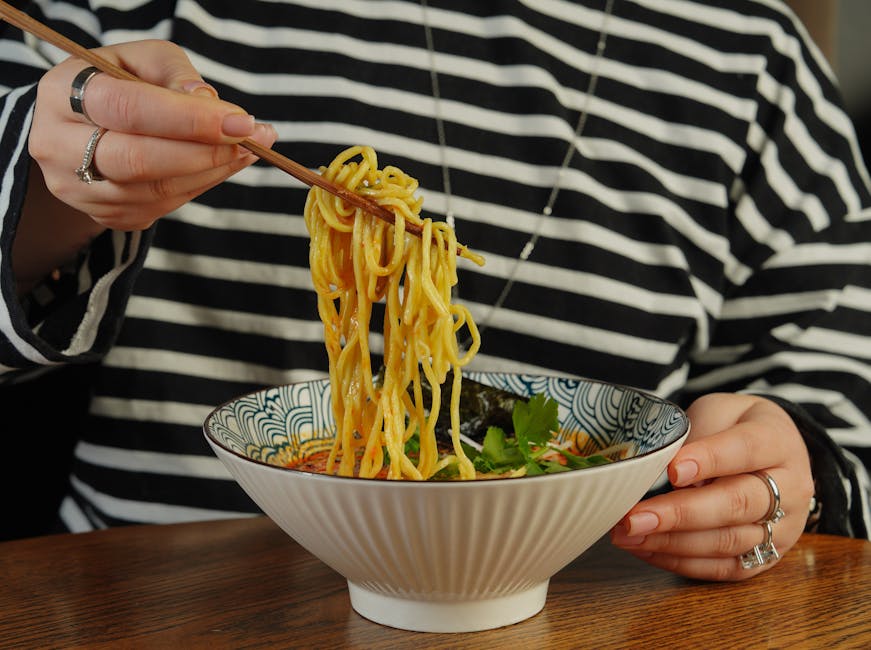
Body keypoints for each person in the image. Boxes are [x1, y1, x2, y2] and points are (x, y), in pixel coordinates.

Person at [1, 0, 868, 582]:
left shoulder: (745, 49)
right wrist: (41, 202)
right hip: (147, 604)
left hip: (602, 611)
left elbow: (840, 375)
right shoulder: (112, 12)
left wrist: (788, 472)